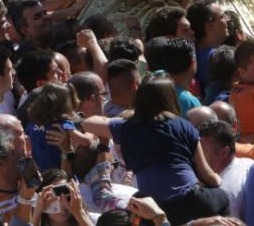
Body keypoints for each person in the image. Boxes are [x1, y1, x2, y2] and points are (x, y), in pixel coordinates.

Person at [80, 74, 227, 223]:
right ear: (170, 98)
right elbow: (207, 174)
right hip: (189, 201)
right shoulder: (184, 126)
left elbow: (88, 123)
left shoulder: (126, 127)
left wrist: (122, 121)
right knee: (223, 198)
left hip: (152, 207)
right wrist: (219, 182)